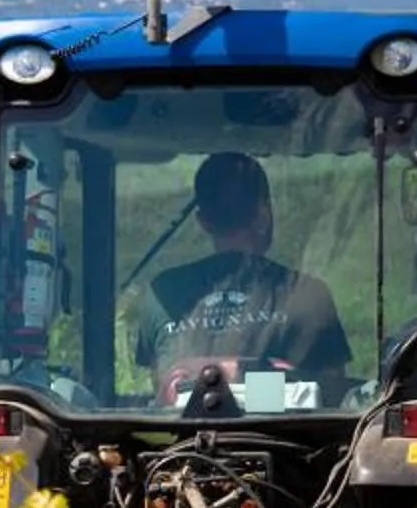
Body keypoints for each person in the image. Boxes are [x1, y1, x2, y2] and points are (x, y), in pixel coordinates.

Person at [144, 151, 352, 395]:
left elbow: (164, 397)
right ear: (264, 214)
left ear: (203, 221)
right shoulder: (307, 295)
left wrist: (216, 378)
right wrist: (262, 381)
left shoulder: (163, 292)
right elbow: (332, 397)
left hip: (187, 434)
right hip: (284, 434)